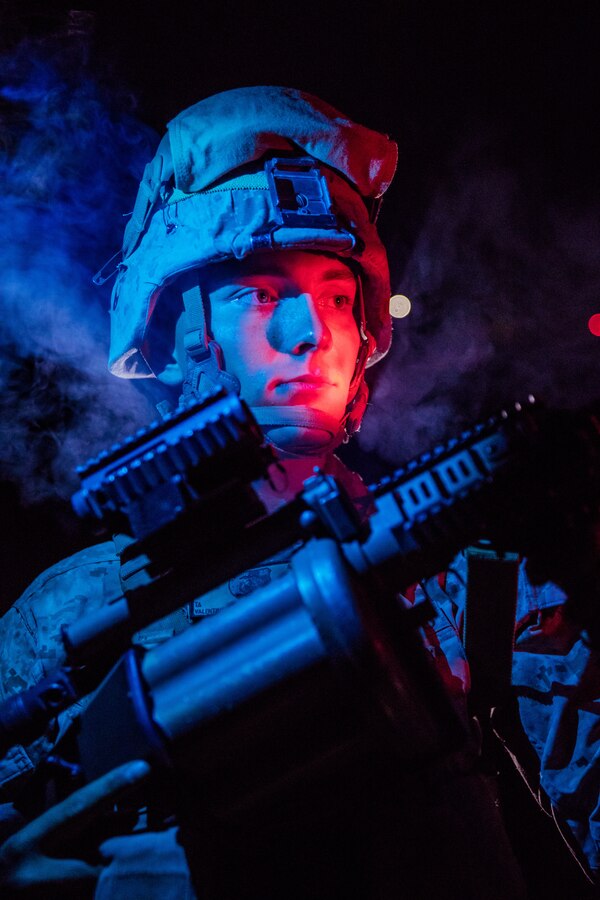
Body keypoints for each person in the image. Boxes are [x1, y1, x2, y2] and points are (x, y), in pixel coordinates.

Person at [0, 86, 598, 899]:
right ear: (179, 335)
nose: (311, 334)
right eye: (261, 294)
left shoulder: (472, 588)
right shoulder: (74, 615)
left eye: (338, 297)